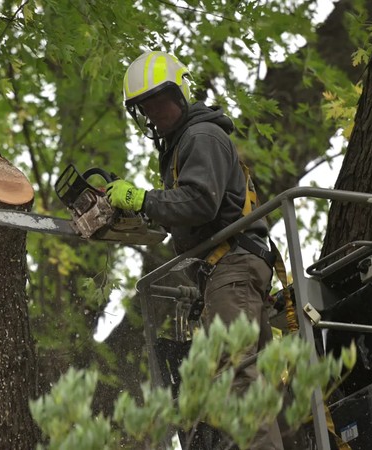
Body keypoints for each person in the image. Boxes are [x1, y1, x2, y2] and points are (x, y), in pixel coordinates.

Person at [105, 50, 283, 450]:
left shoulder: (200, 136)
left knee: (233, 374)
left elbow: (200, 202)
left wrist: (143, 199)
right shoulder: (182, 144)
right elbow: (188, 214)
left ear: (180, 96)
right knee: (261, 382)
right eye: (145, 108)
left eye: (159, 102)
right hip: (227, 273)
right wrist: (138, 215)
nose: (154, 114)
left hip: (232, 268)